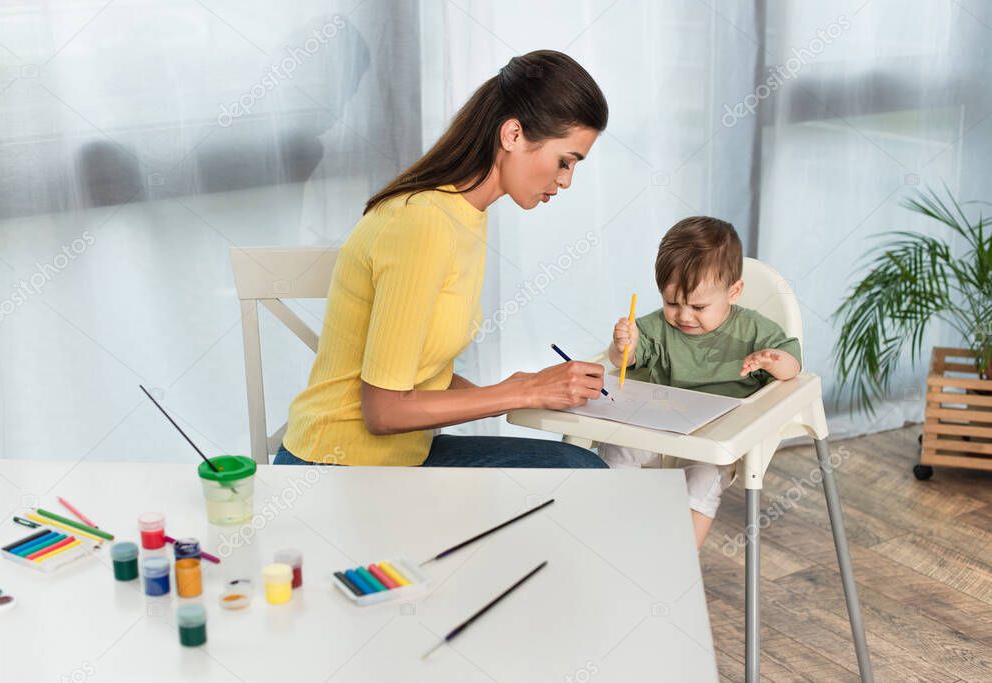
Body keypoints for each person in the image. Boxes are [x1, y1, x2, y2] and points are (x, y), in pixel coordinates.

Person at [276, 50, 611, 468]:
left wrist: (536, 395)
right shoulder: (423, 225)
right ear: (512, 135)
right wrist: (523, 392)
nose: (566, 180)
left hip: (404, 459)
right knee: (579, 472)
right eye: (565, 161)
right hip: (339, 468)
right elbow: (382, 412)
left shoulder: (466, 215)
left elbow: (421, 368)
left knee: (578, 467)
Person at [602, 216, 802, 547]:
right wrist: (624, 345)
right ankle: (615, 540)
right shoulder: (656, 327)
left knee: (704, 483)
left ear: (734, 292)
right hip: (658, 431)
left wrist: (773, 361)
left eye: (698, 306)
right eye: (672, 303)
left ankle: (677, 561)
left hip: (714, 445)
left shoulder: (753, 331)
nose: (683, 316)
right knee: (614, 448)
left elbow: (793, 367)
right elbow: (625, 360)